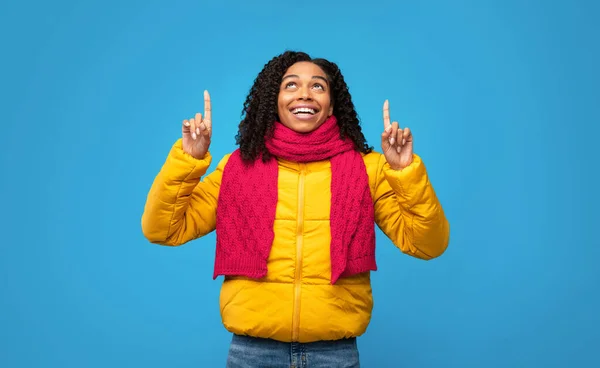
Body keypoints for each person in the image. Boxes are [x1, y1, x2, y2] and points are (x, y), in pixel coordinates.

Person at [141, 51, 450, 367]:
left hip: (335, 355)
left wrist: (404, 172)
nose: (304, 93)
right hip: (252, 354)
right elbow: (162, 228)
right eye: (291, 85)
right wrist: (188, 161)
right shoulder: (237, 167)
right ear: (273, 99)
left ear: (331, 104)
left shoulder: (367, 169)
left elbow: (427, 244)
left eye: (318, 86)